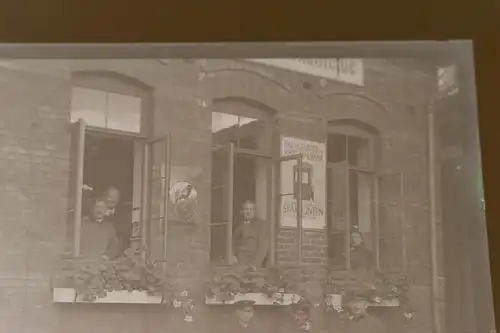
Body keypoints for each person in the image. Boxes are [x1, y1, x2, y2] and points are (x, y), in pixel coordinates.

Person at [232, 200, 270, 268]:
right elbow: (233, 241)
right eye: (246, 209)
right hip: (240, 261)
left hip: (253, 261)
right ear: (243, 211)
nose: (248, 212)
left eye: (251, 209)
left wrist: (255, 264)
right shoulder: (240, 225)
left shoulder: (261, 225)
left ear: (254, 211)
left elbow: (263, 247)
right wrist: (233, 255)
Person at [103, 186, 132, 255]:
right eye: (110, 196)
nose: (112, 199)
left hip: (115, 255)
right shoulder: (95, 213)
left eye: (115, 197)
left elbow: (125, 237)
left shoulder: (124, 217)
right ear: (104, 197)